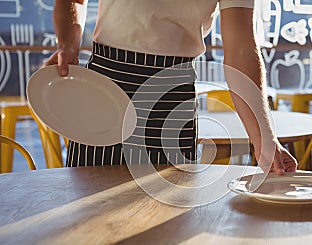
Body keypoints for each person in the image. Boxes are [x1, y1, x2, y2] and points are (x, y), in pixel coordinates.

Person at [44, 0, 297, 174]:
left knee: (167, 227)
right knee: (86, 220)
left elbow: (241, 50)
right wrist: (67, 43)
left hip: (172, 100)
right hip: (104, 88)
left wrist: (264, 138)